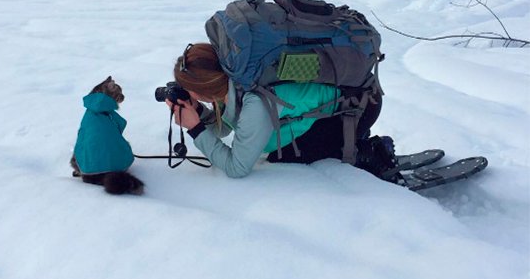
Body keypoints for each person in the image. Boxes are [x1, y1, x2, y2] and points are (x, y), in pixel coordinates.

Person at [165, 42, 398, 180]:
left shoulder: (254, 101)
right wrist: (199, 113)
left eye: (189, 90)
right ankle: (345, 139)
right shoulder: (234, 77)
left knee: (279, 155)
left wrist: (196, 130)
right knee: (266, 141)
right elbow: (227, 125)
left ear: (205, 88)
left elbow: (237, 168)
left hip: (358, 107)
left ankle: (368, 152)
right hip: (351, 95)